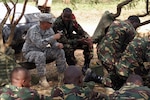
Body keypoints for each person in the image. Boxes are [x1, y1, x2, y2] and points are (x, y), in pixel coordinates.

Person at [85, 35, 150, 90]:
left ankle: (94, 76)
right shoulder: (148, 45)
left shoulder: (139, 39)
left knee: (114, 82)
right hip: (130, 72)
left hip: (119, 66)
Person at [22, 13, 67, 87]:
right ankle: (42, 78)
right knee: (40, 55)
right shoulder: (34, 30)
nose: (51, 24)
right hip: (30, 52)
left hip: (43, 50)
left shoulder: (49, 29)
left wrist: (57, 45)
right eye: (50, 23)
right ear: (44, 23)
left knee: (60, 51)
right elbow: (39, 44)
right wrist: (53, 37)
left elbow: (53, 43)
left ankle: (61, 74)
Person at [52, 7, 93, 74]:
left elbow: (80, 31)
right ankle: (72, 66)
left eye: (68, 17)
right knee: (68, 47)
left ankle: (86, 65)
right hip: (61, 42)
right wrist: (79, 41)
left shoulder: (72, 20)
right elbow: (63, 40)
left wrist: (87, 38)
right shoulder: (58, 23)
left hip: (70, 38)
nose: (66, 19)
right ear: (62, 14)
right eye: (64, 17)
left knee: (87, 44)